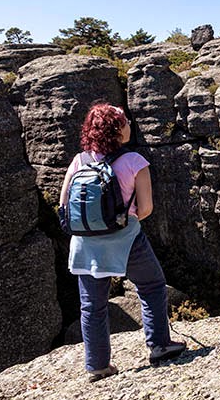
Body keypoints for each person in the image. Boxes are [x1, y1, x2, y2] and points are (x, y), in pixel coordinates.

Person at [60, 103, 186, 382]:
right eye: (125, 121)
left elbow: (64, 204)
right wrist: (120, 220)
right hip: (126, 239)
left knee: (92, 305)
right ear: (117, 129)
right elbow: (146, 209)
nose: (130, 124)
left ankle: (97, 365)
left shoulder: (79, 160)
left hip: (85, 243)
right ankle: (160, 345)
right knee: (152, 286)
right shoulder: (134, 162)